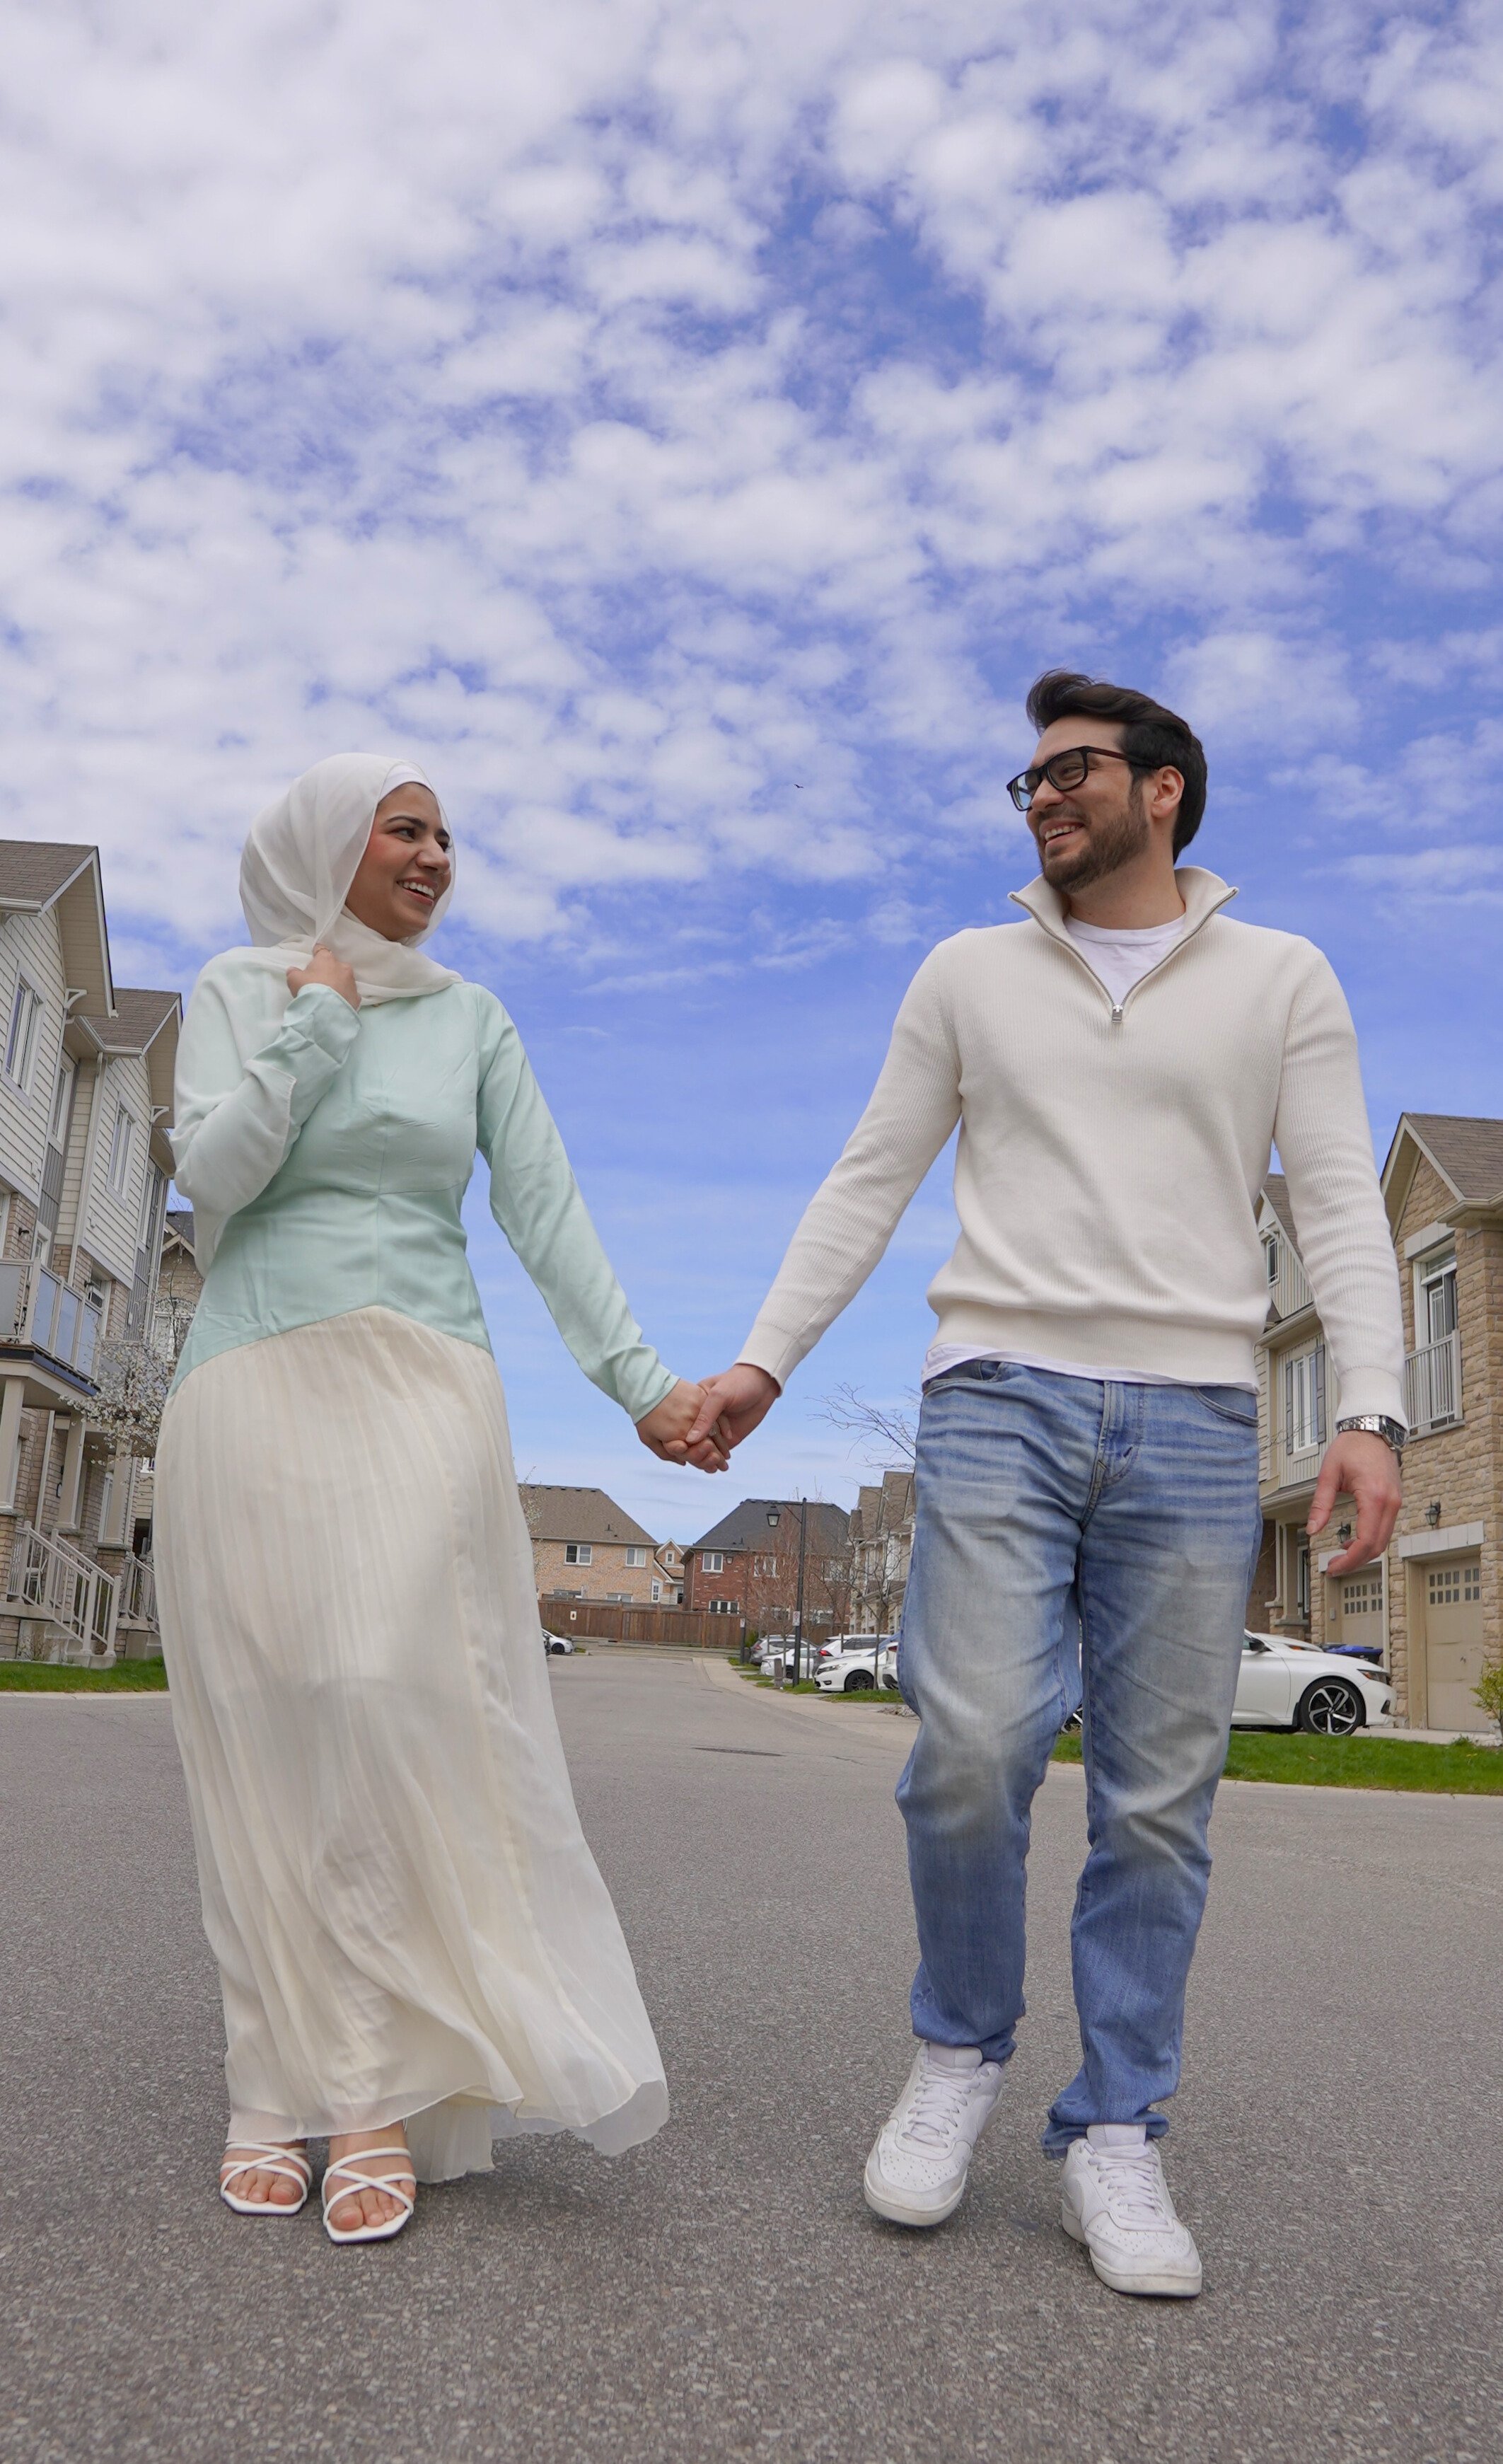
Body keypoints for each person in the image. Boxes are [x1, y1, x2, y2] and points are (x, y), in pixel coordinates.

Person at [685, 672, 1405, 2297]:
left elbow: (1342, 1207)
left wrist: (1367, 1406)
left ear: (1165, 790)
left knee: (1157, 1799)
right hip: (998, 1393)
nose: (1038, 800)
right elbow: (869, 1174)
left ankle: (1114, 2132)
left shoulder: (1284, 977)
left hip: (1202, 1415)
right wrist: (764, 1358)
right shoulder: (967, 972)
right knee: (971, 1744)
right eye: (1024, 783)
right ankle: (958, 2049)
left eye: (1069, 771)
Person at [158, 753, 725, 2245]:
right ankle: (266, 2077)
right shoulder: (234, 988)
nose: (435, 854)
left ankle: (369, 2087)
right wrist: (314, 1024)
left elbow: (543, 1209)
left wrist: (641, 1383)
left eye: (444, 835)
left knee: (378, 1695)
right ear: (330, 843)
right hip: (250, 1376)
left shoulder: (474, 1018)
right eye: (405, 828)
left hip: (419, 1382)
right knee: (262, 1716)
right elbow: (215, 1178)